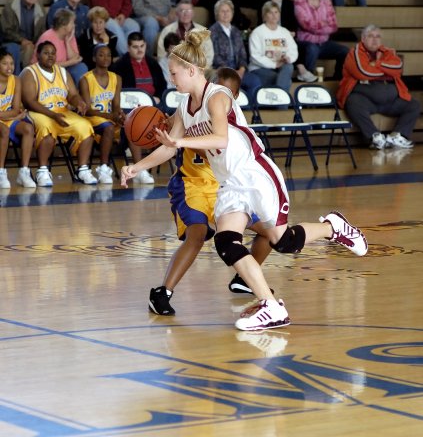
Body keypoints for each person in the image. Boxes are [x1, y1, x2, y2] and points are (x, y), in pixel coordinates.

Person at [121, 29, 368, 330]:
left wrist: (181, 142)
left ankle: (333, 227)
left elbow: (220, 138)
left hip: (254, 175)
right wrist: (136, 167)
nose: (171, 79)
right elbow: (168, 147)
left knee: (284, 241)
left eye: (174, 73)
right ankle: (271, 306)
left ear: (191, 70)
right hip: (230, 184)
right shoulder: (184, 108)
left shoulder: (218, 96)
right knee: (226, 242)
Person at [147, 67, 273, 315]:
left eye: (227, 93)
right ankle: (162, 293)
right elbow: (163, 127)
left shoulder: (233, 123)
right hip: (191, 184)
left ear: (234, 98)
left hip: (226, 188)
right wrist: (147, 125)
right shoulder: (190, 109)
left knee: (270, 232)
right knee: (197, 233)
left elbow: (220, 149)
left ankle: (244, 279)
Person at [21, 40, 98, 186]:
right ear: (38, 55)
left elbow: (72, 95)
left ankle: (82, 169)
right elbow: (29, 101)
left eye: (53, 53)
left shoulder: (62, 72)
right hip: (38, 112)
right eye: (46, 53)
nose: (50, 56)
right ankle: (42, 171)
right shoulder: (29, 72)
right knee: (47, 127)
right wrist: (53, 115)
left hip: (62, 112)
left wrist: (79, 102)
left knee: (85, 126)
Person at [337, 24, 420, 150]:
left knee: (413, 104)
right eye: (371, 36)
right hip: (365, 100)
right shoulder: (354, 53)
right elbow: (363, 72)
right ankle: (374, 137)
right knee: (352, 102)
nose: (375, 40)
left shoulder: (387, 52)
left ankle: (398, 136)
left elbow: (397, 68)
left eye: (378, 37)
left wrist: (376, 64)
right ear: (363, 39)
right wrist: (386, 72)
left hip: (389, 100)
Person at [110, 31, 167, 184]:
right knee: (135, 125)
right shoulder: (120, 65)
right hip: (130, 108)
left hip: (153, 107)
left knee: (171, 124)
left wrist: (157, 97)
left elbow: (162, 86)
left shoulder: (153, 63)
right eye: (135, 47)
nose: (139, 50)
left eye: (142, 46)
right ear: (128, 48)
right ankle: (140, 170)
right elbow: (116, 92)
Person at [79, 44, 125, 184]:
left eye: (109, 55)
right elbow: (87, 109)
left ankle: (140, 170)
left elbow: (116, 105)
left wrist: (119, 115)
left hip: (108, 119)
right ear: (94, 58)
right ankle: (103, 168)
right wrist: (110, 116)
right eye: (101, 55)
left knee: (131, 125)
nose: (106, 58)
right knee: (108, 127)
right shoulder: (85, 79)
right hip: (92, 119)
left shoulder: (117, 78)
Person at [294, 0, 349, 80]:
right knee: (312, 48)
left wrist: (316, 25)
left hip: (324, 43)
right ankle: (307, 77)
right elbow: (306, 25)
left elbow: (334, 26)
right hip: (306, 43)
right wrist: (323, 24)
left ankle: (338, 78)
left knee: (345, 51)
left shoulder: (326, 2)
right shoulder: (299, 2)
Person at [0, 47, 36, 189]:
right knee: (4, 131)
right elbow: (14, 113)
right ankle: (1, 172)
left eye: (11, 63)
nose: (9, 67)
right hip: (6, 120)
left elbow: (15, 109)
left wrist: (14, 116)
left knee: (28, 128)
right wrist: (13, 116)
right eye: (4, 63)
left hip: (8, 118)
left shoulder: (16, 80)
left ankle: (24, 172)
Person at [248, 1, 298, 91]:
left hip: (281, 67)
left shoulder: (284, 32)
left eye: (276, 12)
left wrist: (288, 58)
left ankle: (280, 97)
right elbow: (255, 56)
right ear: (264, 16)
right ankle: (282, 97)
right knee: (284, 80)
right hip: (260, 68)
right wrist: (274, 64)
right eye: (270, 13)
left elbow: (293, 50)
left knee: (289, 66)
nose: (274, 15)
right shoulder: (257, 32)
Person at [33, 8, 88, 85]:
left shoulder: (69, 35)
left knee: (81, 67)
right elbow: (47, 64)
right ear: (64, 25)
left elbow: (75, 58)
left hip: (63, 68)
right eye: (72, 23)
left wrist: (67, 42)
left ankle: (78, 92)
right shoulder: (47, 37)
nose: (74, 25)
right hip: (44, 70)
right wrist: (70, 62)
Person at [0, 0, 46, 68]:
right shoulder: (11, 6)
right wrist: (22, 40)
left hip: (33, 43)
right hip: (13, 42)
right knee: (27, 48)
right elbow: (6, 31)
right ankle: (25, 73)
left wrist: (39, 44)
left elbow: (43, 31)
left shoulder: (40, 8)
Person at [156, 1, 214, 69]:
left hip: (199, 69)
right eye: (182, 11)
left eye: (189, 11)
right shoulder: (167, 30)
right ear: (177, 13)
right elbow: (161, 54)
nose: (186, 14)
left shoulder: (203, 31)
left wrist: (199, 70)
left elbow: (209, 55)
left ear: (193, 13)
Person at [209, 0, 248, 81]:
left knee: (255, 82)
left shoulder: (236, 31)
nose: (225, 13)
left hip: (238, 71)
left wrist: (242, 69)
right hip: (221, 71)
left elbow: (242, 54)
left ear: (232, 13)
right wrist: (231, 72)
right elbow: (215, 56)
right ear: (217, 13)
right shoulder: (212, 31)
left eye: (228, 11)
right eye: (222, 11)